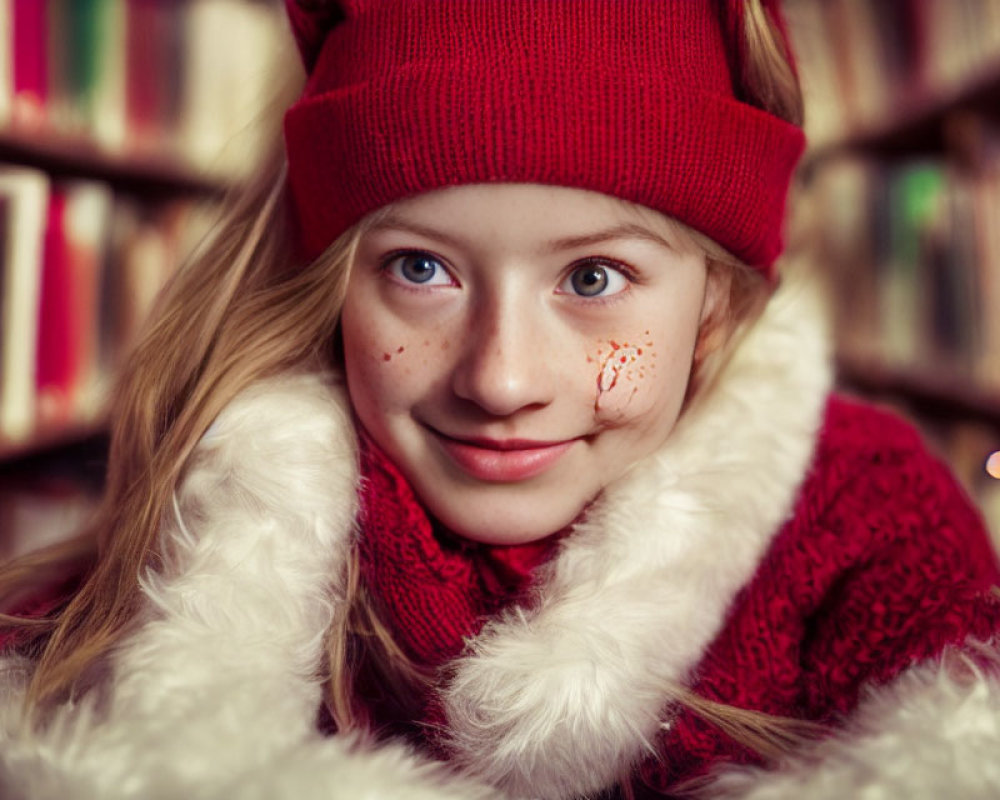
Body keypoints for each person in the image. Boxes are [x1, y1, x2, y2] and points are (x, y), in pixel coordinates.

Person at [2, 1, 999, 798]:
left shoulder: (871, 523)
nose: (501, 378)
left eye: (594, 279)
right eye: (421, 267)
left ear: (715, 301)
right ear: (332, 283)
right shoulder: (201, 531)